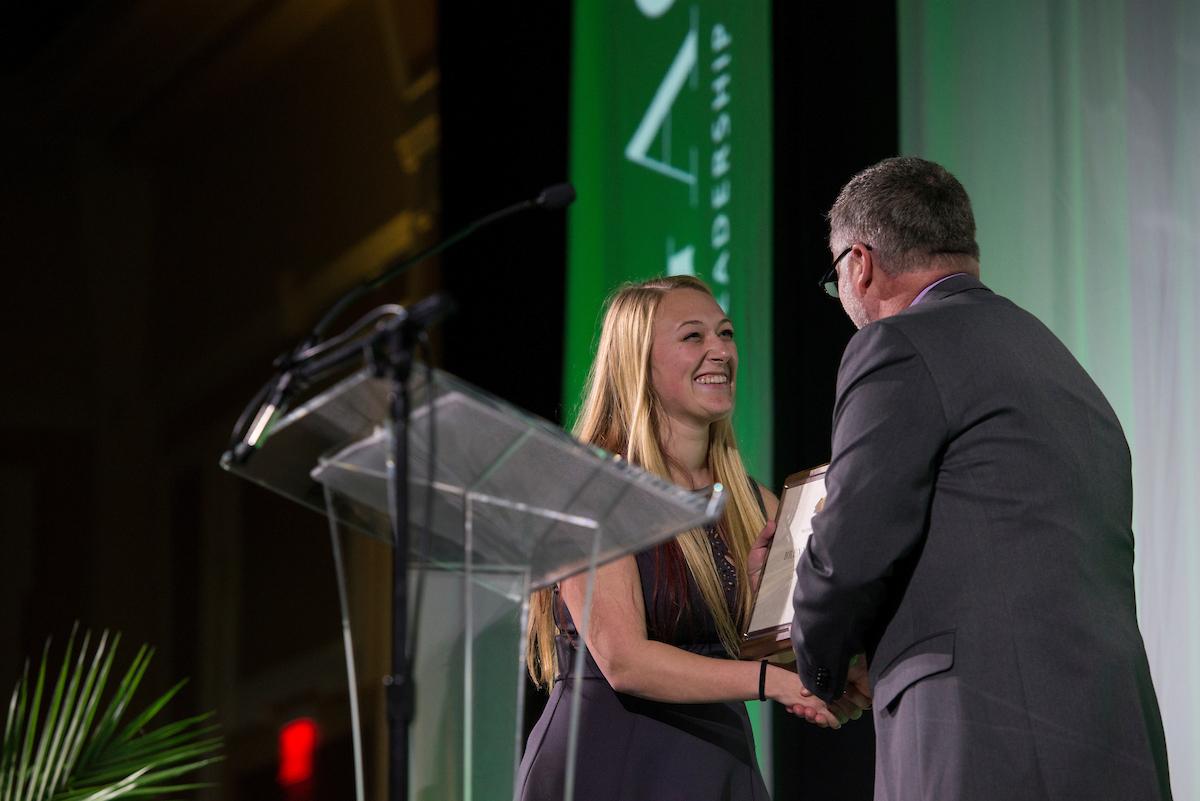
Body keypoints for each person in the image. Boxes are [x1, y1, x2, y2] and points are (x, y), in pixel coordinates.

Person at [790, 156, 1172, 800]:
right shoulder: (1057, 362)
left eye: (837, 278)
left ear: (859, 263)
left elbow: (851, 546)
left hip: (979, 734)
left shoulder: (896, 344)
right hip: (1113, 733)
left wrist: (822, 667)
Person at [517, 275, 859, 801]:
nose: (720, 350)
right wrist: (770, 682)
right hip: (611, 763)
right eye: (693, 337)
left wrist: (841, 677)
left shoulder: (758, 505)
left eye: (725, 333)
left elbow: (789, 646)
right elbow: (624, 660)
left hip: (717, 763)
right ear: (638, 363)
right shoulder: (596, 491)